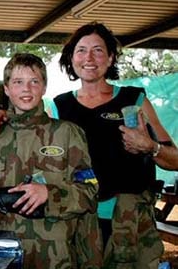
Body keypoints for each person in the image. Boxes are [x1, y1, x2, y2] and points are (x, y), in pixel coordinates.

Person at [51, 22, 176, 268]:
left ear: (110, 59)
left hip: (130, 225)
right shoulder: (59, 106)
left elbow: (175, 160)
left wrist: (150, 147)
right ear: (72, 58)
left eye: (98, 50)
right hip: (79, 222)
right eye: (81, 50)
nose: (89, 57)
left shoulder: (134, 100)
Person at [0, 53, 101, 268]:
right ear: (6, 89)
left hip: (56, 256)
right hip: (4, 255)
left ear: (44, 87)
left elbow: (90, 190)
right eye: (18, 82)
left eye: (34, 81)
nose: (27, 89)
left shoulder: (67, 133)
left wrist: (49, 194)